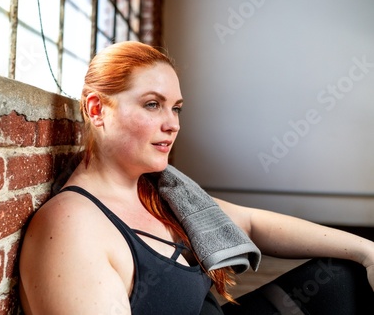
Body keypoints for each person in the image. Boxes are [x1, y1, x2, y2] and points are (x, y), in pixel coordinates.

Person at [19, 41, 374, 314]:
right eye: (152, 104)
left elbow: (249, 223)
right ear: (97, 109)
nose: (172, 123)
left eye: (176, 108)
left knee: (342, 277)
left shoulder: (157, 191)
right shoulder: (72, 227)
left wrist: (367, 251)